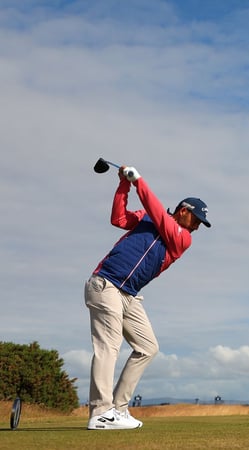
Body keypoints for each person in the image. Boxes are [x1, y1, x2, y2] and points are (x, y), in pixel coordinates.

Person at [85, 165, 210, 430]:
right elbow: (119, 219)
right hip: (106, 284)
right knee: (109, 345)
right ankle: (100, 412)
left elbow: (158, 213)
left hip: (129, 295)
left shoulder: (182, 238)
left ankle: (118, 409)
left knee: (148, 347)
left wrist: (139, 181)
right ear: (184, 211)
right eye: (197, 220)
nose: (198, 227)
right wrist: (124, 185)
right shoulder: (146, 217)